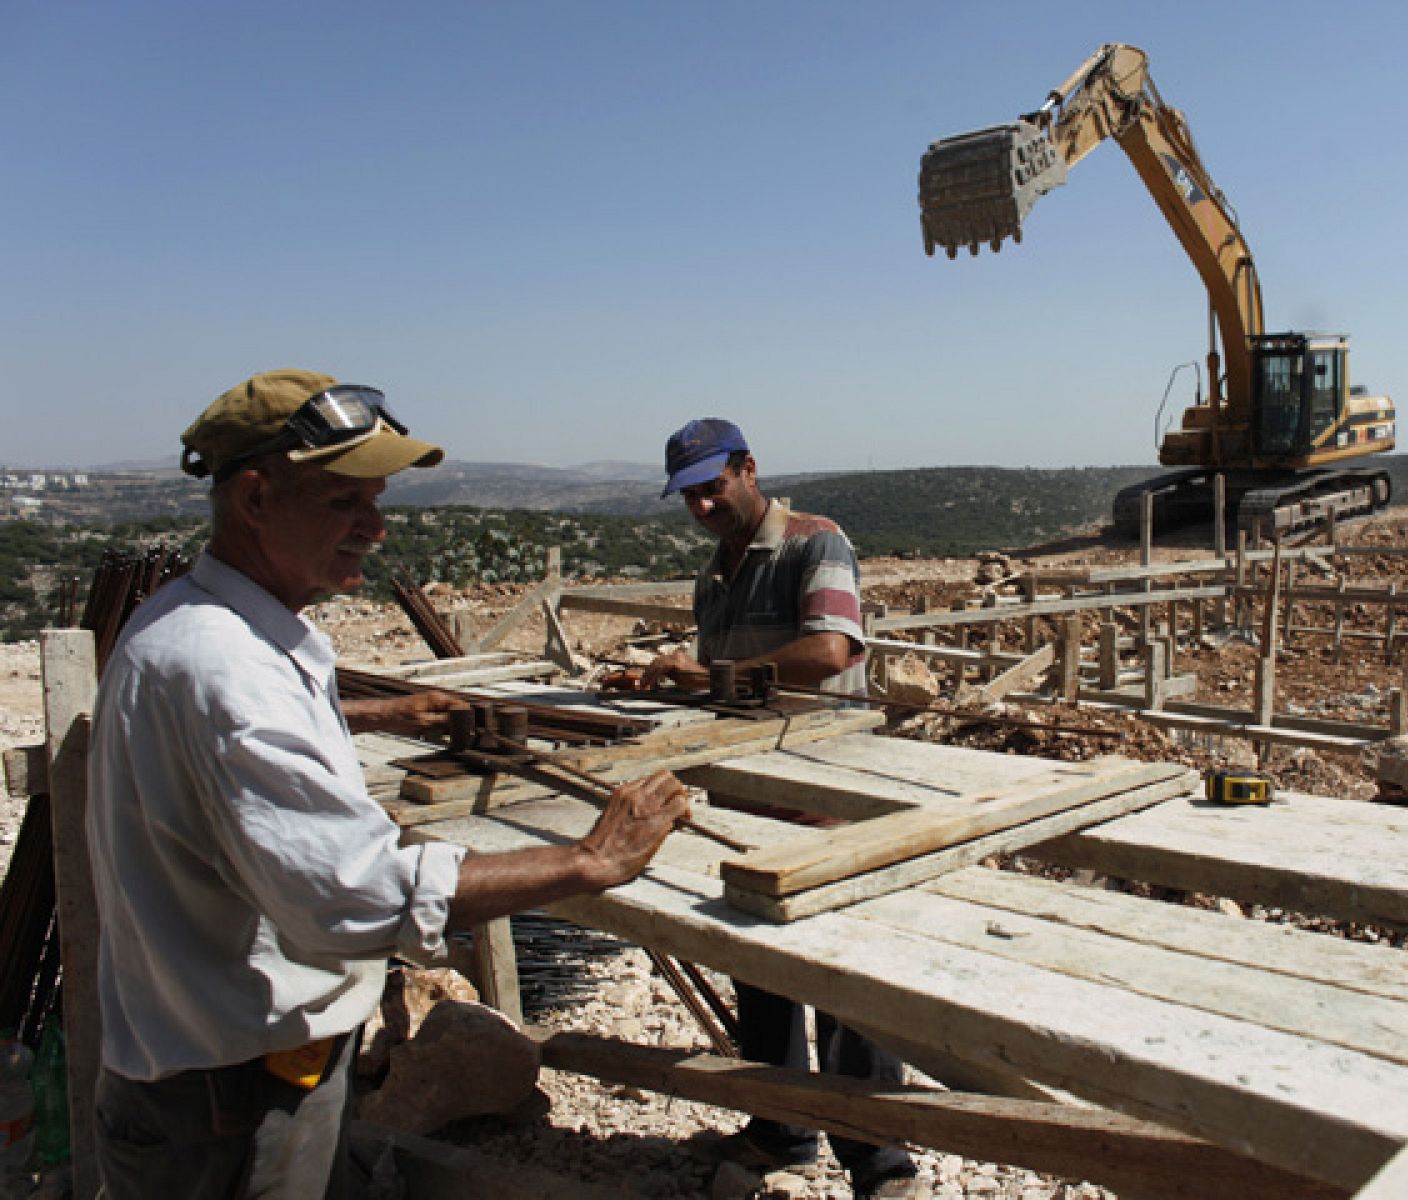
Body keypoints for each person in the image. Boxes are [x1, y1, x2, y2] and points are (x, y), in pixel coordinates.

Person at [86, 370, 690, 1200]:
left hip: (214, 1073)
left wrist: (379, 713)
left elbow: (238, 753)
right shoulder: (224, 668)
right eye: (344, 502)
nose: (374, 527)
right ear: (254, 498)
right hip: (234, 1101)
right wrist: (589, 861)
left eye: (375, 501)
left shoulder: (196, 625)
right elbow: (353, 896)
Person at [639, 418, 929, 1200]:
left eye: (711, 488)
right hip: (749, 802)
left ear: (748, 470)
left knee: (843, 982)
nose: (702, 507)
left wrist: (711, 675)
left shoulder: (815, 543)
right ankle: (781, 1129)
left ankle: (879, 1160)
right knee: (760, 973)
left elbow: (830, 652)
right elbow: (727, 684)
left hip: (826, 799)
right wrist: (680, 681)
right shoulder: (714, 576)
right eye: (688, 497)